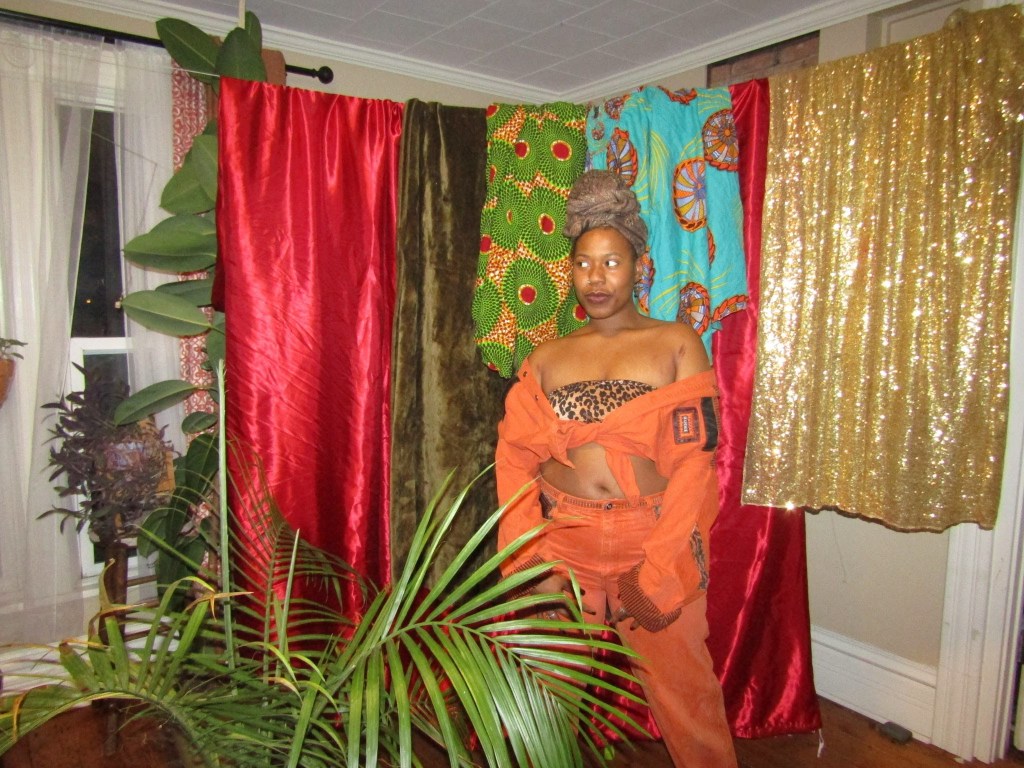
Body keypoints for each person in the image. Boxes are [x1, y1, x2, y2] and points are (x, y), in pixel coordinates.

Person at [495, 170, 737, 767]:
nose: (595, 278)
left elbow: (694, 468)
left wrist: (660, 569)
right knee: (543, 702)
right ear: (569, 270)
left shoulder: (677, 343)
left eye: (611, 263)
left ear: (639, 266)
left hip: (649, 538)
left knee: (687, 696)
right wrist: (531, 561)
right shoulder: (548, 355)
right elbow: (516, 460)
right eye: (583, 264)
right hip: (562, 541)